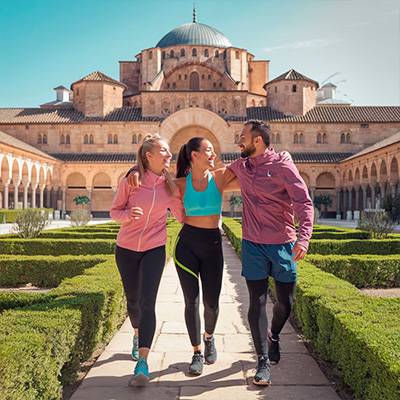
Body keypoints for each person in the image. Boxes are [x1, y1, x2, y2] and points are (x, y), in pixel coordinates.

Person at [226, 120, 314, 386]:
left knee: (285, 302)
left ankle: (273, 335)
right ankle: (262, 360)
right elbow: (207, 174)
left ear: (257, 141)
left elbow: (303, 202)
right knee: (257, 301)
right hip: (252, 244)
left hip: (283, 244)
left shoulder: (283, 165)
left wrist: (304, 238)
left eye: (242, 137)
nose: (238, 142)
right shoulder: (240, 165)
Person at [110, 134, 185, 386]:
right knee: (132, 301)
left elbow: (182, 216)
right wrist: (128, 215)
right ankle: (136, 334)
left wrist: (208, 226)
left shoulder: (170, 187)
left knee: (147, 302)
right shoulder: (131, 181)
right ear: (148, 155)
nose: (169, 154)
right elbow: (114, 211)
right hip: (126, 249)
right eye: (164, 150)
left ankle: (143, 362)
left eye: (170, 151)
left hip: (155, 248)